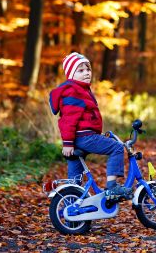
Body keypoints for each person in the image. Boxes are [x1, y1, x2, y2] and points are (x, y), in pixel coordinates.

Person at [49, 52, 132, 200]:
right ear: (70, 74)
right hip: (83, 137)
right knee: (117, 147)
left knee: (75, 178)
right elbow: (68, 119)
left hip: (82, 136)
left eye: (88, 69)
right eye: (80, 70)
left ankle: (73, 203)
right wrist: (67, 143)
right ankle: (112, 186)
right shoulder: (73, 91)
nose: (86, 72)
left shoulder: (81, 90)